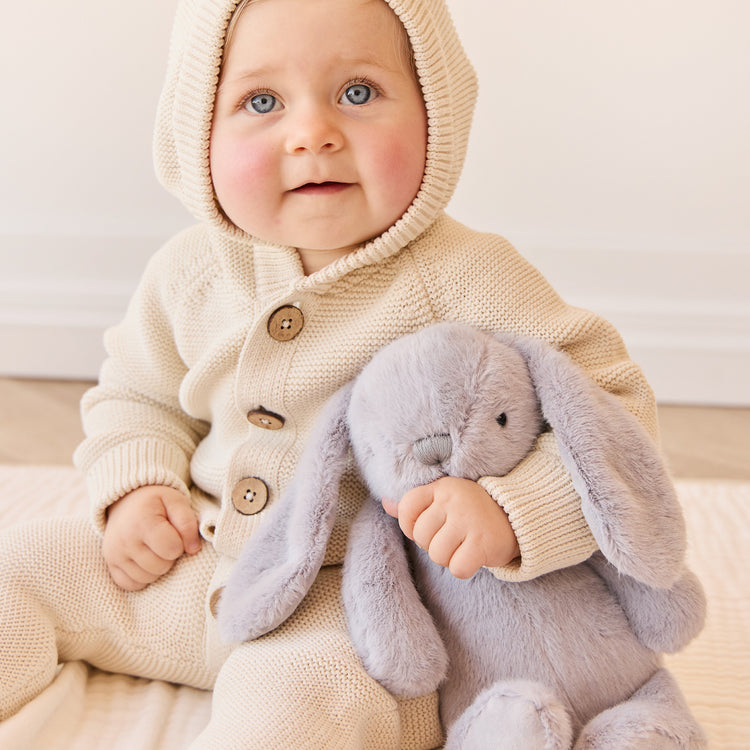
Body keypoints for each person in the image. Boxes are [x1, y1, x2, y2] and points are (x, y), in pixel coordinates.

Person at [0, 0, 665, 747]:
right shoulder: (189, 272)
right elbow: (136, 395)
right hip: (184, 562)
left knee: (302, 707)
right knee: (21, 565)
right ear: (197, 133)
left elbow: (612, 413)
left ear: (434, 110)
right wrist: (138, 487)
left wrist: (510, 512)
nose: (312, 133)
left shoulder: (469, 277)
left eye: (357, 92)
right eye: (262, 101)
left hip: (344, 603)